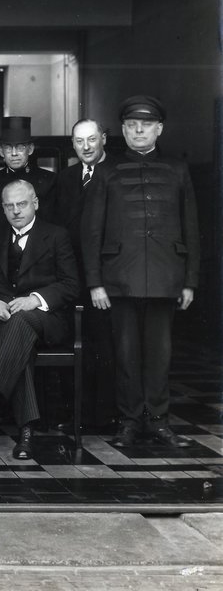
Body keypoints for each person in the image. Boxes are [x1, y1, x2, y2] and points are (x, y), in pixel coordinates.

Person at [82, 95, 200, 449]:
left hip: (166, 279)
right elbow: (92, 231)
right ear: (122, 129)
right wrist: (95, 282)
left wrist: (190, 281)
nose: (138, 131)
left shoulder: (178, 170)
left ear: (159, 129)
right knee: (126, 355)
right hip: (120, 280)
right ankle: (130, 421)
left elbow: (191, 228)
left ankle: (159, 421)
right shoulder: (107, 171)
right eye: (132, 125)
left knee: (160, 356)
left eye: (146, 125)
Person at [0, 180, 79, 460]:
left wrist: (35, 300)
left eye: (22, 204)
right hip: (2, 319)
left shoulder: (57, 235)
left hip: (45, 319)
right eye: (9, 206)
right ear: (3, 208)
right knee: (18, 338)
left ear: (35, 203)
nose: (16, 211)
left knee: (20, 324)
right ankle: (25, 434)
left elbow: (70, 284)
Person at [53, 119, 117, 430]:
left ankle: (105, 416)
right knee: (73, 345)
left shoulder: (117, 174)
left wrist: (99, 280)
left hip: (106, 280)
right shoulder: (65, 178)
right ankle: (75, 415)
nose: (86, 147)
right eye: (79, 141)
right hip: (71, 277)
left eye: (92, 139)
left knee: (105, 346)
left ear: (104, 138)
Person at [0, 116, 57, 223]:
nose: (14, 153)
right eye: (8, 148)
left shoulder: (49, 181)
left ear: (30, 149)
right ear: (1, 151)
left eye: (20, 147)